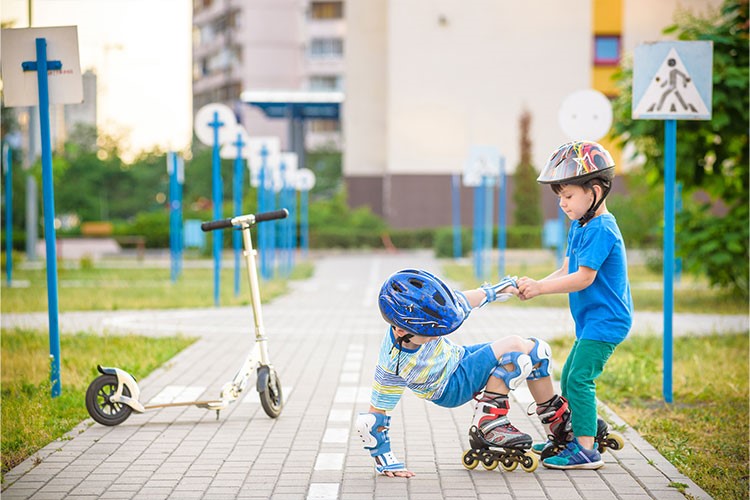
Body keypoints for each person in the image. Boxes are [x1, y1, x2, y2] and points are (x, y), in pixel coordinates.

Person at [355, 269, 572, 478]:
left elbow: (463, 302)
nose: (436, 335)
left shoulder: (418, 319)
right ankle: (488, 424)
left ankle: (557, 424)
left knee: (537, 351)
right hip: (449, 387)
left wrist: (500, 289)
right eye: (431, 333)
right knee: (515, 351)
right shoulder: (393, 363)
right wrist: (385, 461)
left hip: (458, 358)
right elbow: (374, 419)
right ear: (401, 331)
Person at [517, 140, 633, 470]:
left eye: (568, 196)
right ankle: (575, 433)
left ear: (595, 190)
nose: (563, 204)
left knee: (579, 378)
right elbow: (568, 269)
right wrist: (535, 284)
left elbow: (583, 278)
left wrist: (541, 289)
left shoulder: (602, 228)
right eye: (560, 198)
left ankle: (586, 450)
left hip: (607, 320)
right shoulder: (581, 225)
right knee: (569, 377)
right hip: (591, 319)